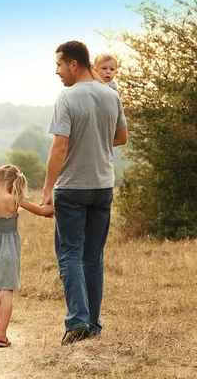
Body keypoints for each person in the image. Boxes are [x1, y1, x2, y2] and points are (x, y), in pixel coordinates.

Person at [41, 41, 128, 345]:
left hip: (72, 187)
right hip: (103, 186)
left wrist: (47, 188)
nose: (57, 72)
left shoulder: (67, 98)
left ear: (74, 65)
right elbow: (122, 137)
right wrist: (96, 139)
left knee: (70, 255)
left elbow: (60, 146)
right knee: (93, 256)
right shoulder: (111, 95)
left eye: (59, 65)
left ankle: (78, 323)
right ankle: (92, 323)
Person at [0, 165, 55, 348]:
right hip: (10, 249)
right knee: (6, 292)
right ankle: (2, 335)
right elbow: (42, 211)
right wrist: (54, 207)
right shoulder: (16, 199)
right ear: (14, 182)